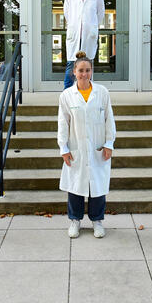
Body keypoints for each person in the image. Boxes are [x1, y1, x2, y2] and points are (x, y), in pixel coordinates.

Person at [58, 51, 116, 238]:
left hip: (98, 147)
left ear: (92, 71)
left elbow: (109, 120)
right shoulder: (67, 95)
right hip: (76, 148)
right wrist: (64, 148)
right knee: (75, 186)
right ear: (74, 72)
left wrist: (109, 144)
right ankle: (75, 221)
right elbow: (62, 123)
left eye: (88, 70)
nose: (84, 74)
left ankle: (97, 221)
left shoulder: (102, 93)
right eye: (81, 70)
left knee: (97, 187)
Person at [63, 0, 104, 89]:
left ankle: (86, 93)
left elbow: (100, 14)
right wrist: (74, 25)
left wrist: (92, 27)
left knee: (87, 66)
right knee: (71, 65)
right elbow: (67, 13)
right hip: (74, 34)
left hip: (89, 35)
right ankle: (67, 94)